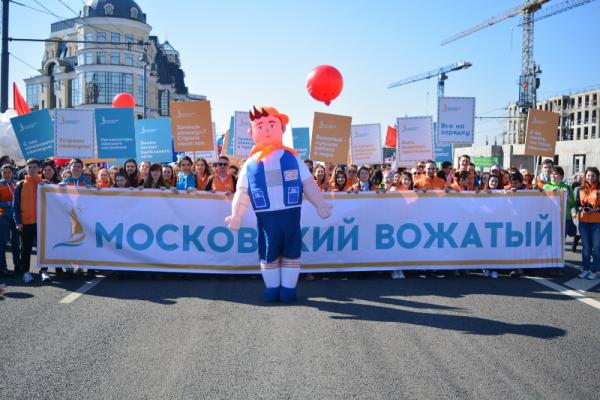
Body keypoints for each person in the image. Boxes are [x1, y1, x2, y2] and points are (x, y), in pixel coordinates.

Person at [225, 105, 332, 303]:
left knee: (291, 253)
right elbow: (242, 192)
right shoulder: (249, 164)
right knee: (269, 253)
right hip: (266, 219)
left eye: (271, 124)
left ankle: (288, 289)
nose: (266, 129)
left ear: (281, 128)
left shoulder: (293, 158)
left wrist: (320, 203)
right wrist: (237, 214)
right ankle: (272, 287)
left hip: (290, 217)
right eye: (260, 126)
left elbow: (308, 183)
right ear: (251, 131)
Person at [12, 159, 41, 283]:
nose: (32, 169)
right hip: (26, 223)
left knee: (42, 248)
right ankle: (26, 272)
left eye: (34, 167)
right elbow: (15, 206)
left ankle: (44, 271)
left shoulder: (44, 184)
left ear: (39, 168)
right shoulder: (20, 185)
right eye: (29, 167)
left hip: (41, 223)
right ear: (26, 169)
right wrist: (18, 222)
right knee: (26, 249)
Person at [574, 167, 600, 280]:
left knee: (597, 248)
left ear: (597, 177)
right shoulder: (580, 189)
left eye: (593, 175)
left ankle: (595, 270)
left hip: (597, 222)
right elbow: (576, 205)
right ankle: (585, 269)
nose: (590, 177)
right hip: (583, 222)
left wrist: (595, 209)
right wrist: (580, 208)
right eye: (588, 175)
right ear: (585, 176)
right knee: (586, 248)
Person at [0, 164, 20, 276]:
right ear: (1, 173)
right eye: (4, 172)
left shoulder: (17, 183)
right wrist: (8, 203)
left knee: (16, 243)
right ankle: (3, 267)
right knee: (2, 243)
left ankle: (18, 266)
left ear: (13, 173)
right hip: (3, 216)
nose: (7, 174)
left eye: (9, 172)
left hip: (16, 217)